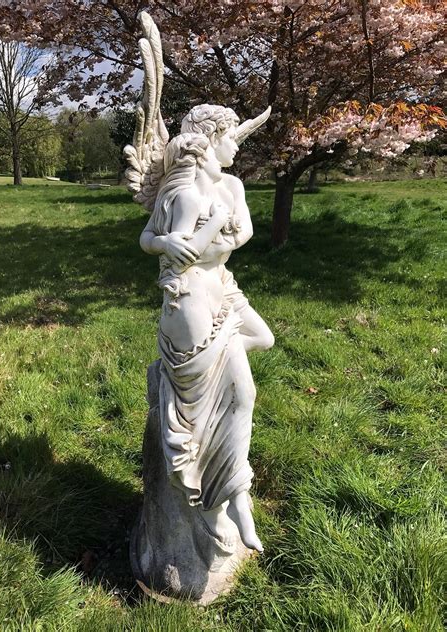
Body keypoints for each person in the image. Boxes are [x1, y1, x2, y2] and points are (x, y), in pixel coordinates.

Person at [141, 124, 272, 552]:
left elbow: (241, 235)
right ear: (209, 140)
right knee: (235, 395)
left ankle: (233, 493)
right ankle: (230, 501)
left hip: (222, 286)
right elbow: (151, 238)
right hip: (191, 297)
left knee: (255, 355)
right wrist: (164, 243)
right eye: (232, 136)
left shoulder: (230, 184)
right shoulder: (184, 193)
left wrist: (209, 238)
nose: (237, 144)